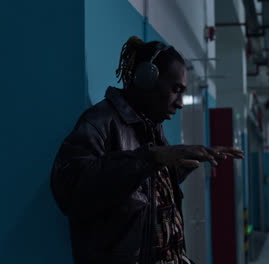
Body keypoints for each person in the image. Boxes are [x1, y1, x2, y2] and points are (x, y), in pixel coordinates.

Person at [50, 36, 244, 264]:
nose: (180, 102)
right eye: (175, 89)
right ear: (146, 79)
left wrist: (181, 165)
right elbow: (71, 190)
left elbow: (146, 192)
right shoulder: (100, 122)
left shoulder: (151, 127)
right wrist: (153, 157)